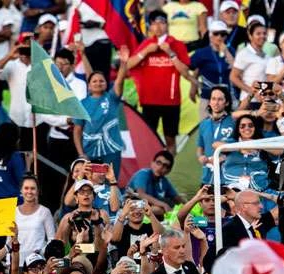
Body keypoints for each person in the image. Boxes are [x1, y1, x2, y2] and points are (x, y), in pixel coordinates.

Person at [127, 9, 196, 153]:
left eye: (162, 23)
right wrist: (145, 52)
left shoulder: (176, 44)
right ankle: (149, 171)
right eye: (154, 23)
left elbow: (184, 72)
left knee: (170, 140)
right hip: (149, 100)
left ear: (167, 25)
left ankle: (172, 171)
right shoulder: (147, 44)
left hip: (170, 101)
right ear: (150, 26)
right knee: (148, 138)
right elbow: (128, 65)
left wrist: (171, 53)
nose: (158, 27)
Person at [74, 49, 128, 178]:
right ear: (89, 86)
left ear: (106, 84)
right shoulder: (82, 104)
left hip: (111, 149)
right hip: (90, 151)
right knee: (90, 184)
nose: (98, 83)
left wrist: (124, 64)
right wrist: (81, 154)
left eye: (101, 81)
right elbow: (77, 131)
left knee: (111, 182)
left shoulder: (111, 98)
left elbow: (119, 81)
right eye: (94, 81)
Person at [195, 86, 235, 185]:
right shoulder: (204, 123)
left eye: (220, 99)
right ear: (209, 102)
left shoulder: (234, 122)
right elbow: (200, 148)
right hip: (207, 177)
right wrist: (201, 157)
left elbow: (239, 146)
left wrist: (224, 158)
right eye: (213, 99)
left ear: (227, 102)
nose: (216, 103)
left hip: (227, 177)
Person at [127, 150, 184, 216]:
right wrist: (163, 204)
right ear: (152, 163)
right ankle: (130, 214)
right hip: (130, 203)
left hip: (145, 206)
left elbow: (177, 198)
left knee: (174, 203)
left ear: (169, 171)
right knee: (159, 209)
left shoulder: (164, 181)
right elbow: (140, 194)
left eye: (165, 166)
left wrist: (189, 205)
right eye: (158, 163)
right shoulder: (143, 173)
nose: (160, 167)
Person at [15, 176, 56, 265]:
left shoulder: (45, 212)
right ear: (21, 190)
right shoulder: (13, 212)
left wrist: (42, 252)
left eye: (33, 188)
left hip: (37, 264)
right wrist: (8, 260)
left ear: (38, 191)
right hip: (16, 262)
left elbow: (51, 239)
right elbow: (9, 240)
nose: (29, 191)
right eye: (26, 188)